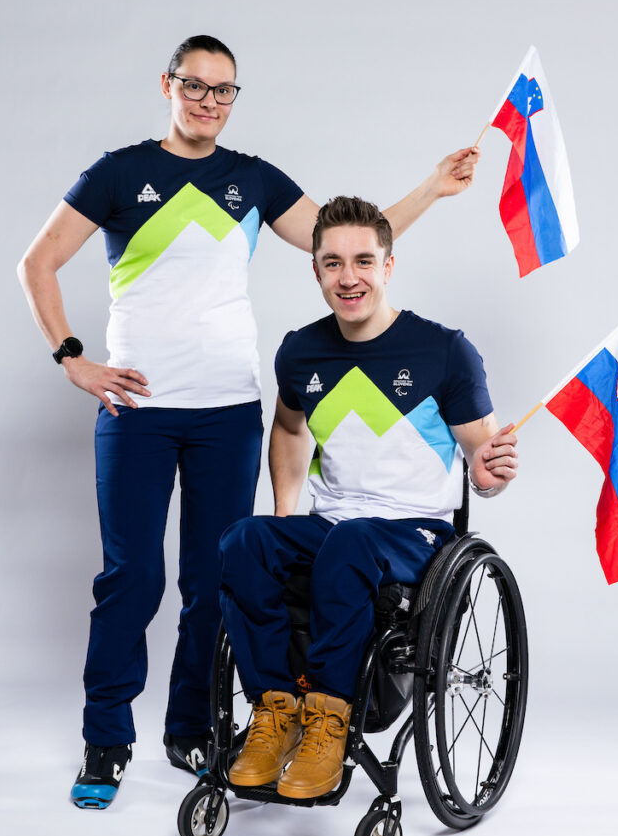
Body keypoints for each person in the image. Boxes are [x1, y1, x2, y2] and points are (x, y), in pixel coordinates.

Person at [17, 34, 480, 809]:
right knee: (131, 578)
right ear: (166, 85)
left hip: (228, 413)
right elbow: (36, 262)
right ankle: (106, 741)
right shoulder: (119, 173)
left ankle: (192, 729)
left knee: (212, 579)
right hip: (137, 411)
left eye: (223, 89)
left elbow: (349, 240)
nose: (209, 101)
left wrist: (431, 188)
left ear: (234, 97)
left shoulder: (252, 179)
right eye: (194, 85)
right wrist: (73, 358)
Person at [218, 196, 518, 800]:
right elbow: (289, 429)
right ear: (316, 270)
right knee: (244, 541)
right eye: (332, 263)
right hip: (335, 527)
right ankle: (274, 713)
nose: (348, 277)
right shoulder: (300, 351)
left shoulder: (444, 351)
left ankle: (329, 722)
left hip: (415, 532)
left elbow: (482, 459)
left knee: (352, 543)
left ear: (388, 266)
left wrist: (492, 474)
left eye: (363, 261)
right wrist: (284, 516)